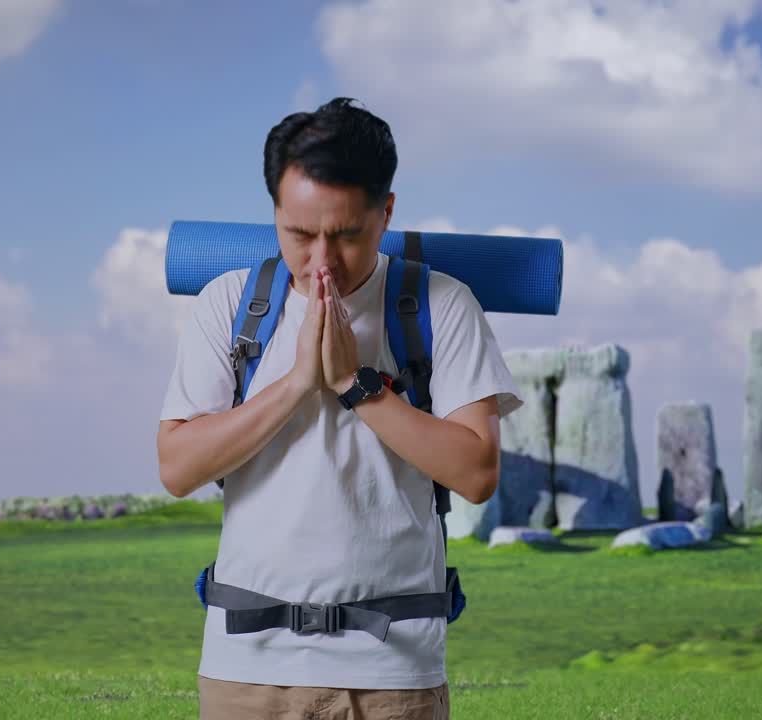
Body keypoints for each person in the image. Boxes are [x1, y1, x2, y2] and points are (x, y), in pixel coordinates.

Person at [157, 97, 524, 719]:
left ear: (386, 213)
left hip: (392, 672)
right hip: (246, 668)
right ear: (275, 213)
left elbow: (477, 473)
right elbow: (177, 468)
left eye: (346, 235)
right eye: (299, 235)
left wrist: (355, 383)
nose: (321, 261)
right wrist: (299, 383)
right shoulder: (230, 304)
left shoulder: (441, 304)